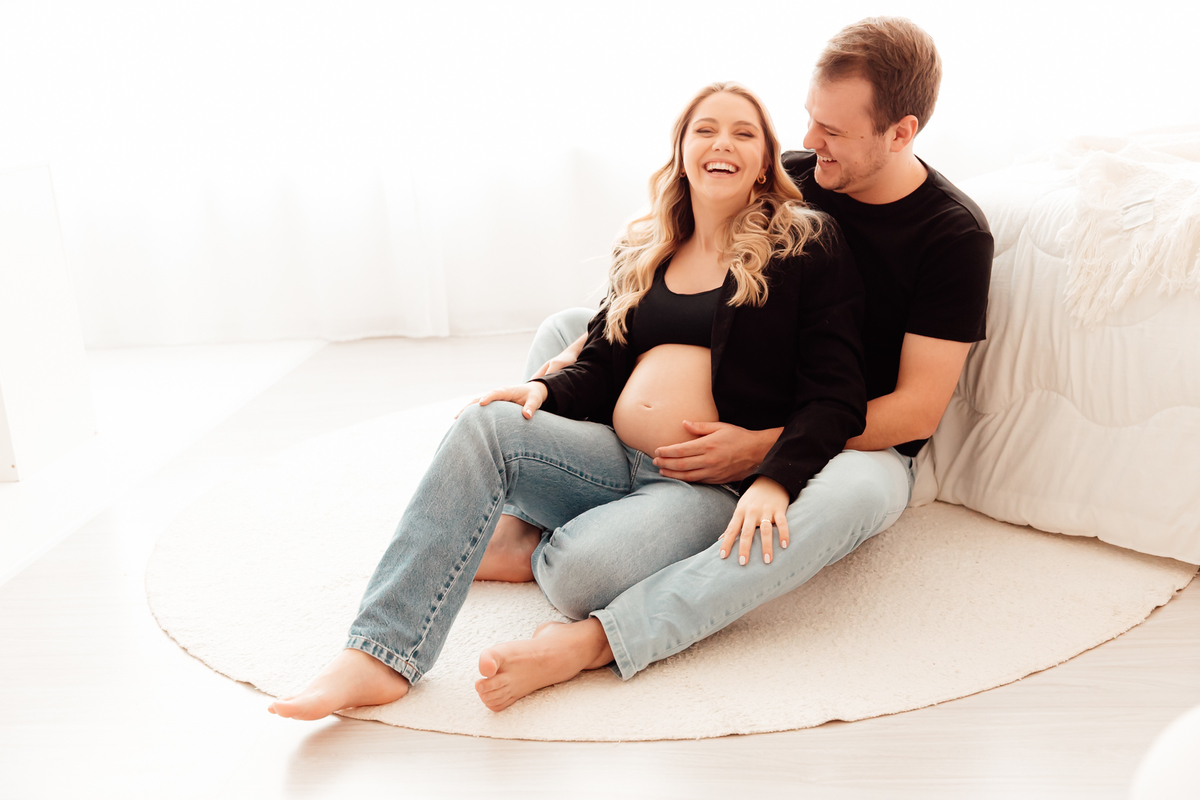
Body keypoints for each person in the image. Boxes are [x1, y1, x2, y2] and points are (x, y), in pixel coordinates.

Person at [268, 82, 866, 721]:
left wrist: (772, 477)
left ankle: (521, 543)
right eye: (705, 129)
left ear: (766, 159)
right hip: (611, 454)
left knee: (580, 576)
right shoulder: (646, 244)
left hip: (703, 486)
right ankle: (379, 653)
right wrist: (543, 389)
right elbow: (602, 365)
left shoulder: (802, 245)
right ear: (682, 150)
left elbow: (837, 395)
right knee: (485, 424)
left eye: (744, 133)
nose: (723, 143)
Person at [472, 15, 994, 713]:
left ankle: (604, 637)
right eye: (810, 119)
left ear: (901, 133)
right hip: (743, 385)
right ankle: (563, 521)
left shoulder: (953, 236)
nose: (809, 142)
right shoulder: (798, 176)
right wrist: (567, 363)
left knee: (860, 495)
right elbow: (666, 275)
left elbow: (916, 410)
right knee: (563, 327)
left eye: (832, 131)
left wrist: (765, 451)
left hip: (848, 438)